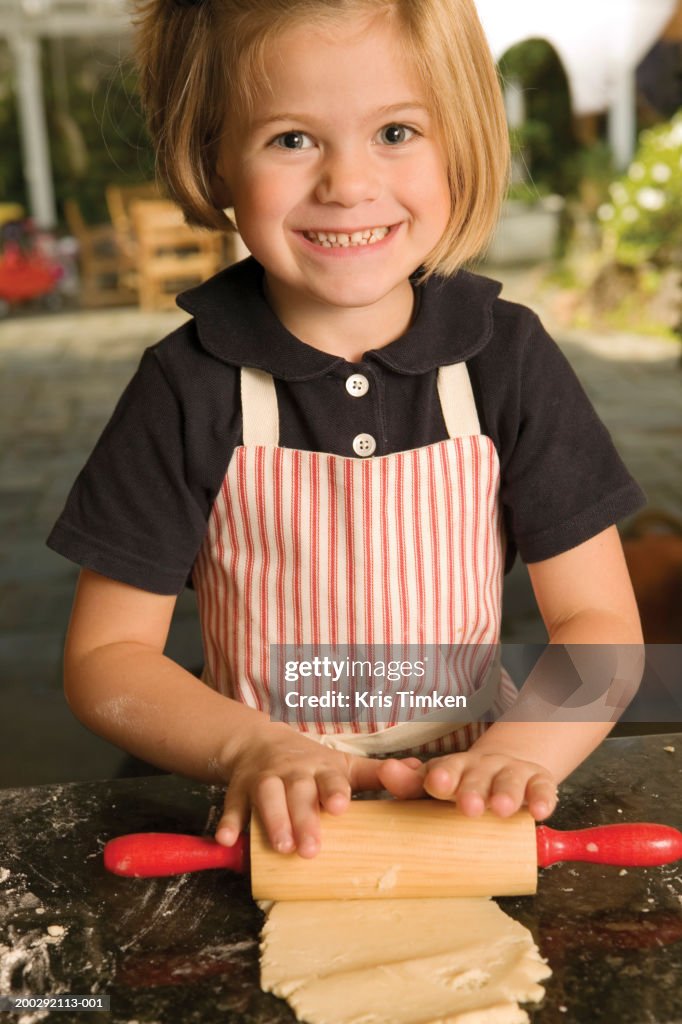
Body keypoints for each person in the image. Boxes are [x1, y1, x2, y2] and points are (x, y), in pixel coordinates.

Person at [48, 0, 645, 860]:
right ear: (212, 158)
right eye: (292, 139)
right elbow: (106, 660)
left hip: (463, 811)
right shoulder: (188, 386)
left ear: (462, 141)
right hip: (256, 823)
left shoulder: (505, 362)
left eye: (396, 132)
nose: (348, 185)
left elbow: (600, 627)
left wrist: (523, 751)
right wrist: (252, 748)